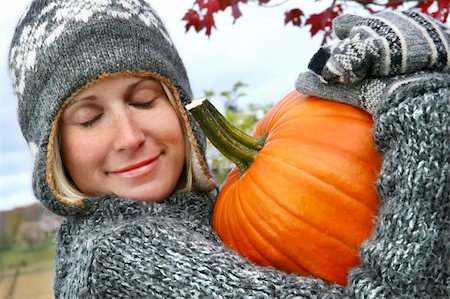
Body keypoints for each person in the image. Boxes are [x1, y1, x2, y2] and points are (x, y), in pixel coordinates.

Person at [8, 0, 449, 298]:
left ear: (181, 107)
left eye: (144, 100)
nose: (128, 137)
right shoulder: (122, 255)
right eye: (88, 118)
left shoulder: (200, 212)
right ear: (52, 149)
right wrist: (423, 105)